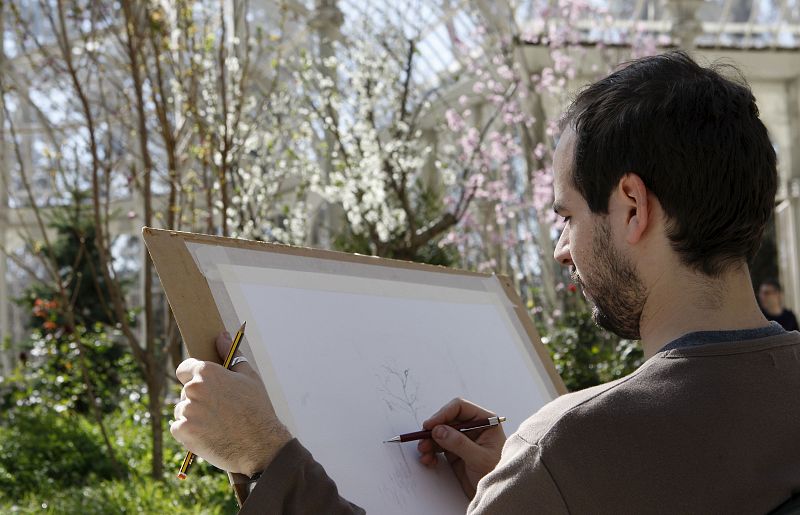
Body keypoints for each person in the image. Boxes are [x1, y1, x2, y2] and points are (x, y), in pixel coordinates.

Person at [171, 51, 800, 513]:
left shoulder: (569, 450)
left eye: (568, 216)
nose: (561, 249)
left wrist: (264, 454)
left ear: (633, 207)